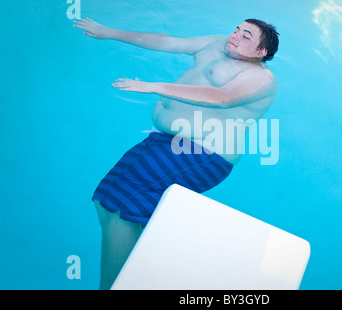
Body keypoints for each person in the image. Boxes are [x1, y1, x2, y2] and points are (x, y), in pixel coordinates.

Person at [74, 17, 279, 289]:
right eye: (237, 29)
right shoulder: (215, 43)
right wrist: (108, 32)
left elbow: (224, 96)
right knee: (105, 199)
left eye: (246, 36)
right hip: (168, 142)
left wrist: (154, 86)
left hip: (202, 154)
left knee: (120, 208)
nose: (235, 36)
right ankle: (134, 277)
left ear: (260, 52)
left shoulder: (261, 78)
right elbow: (165, 40)